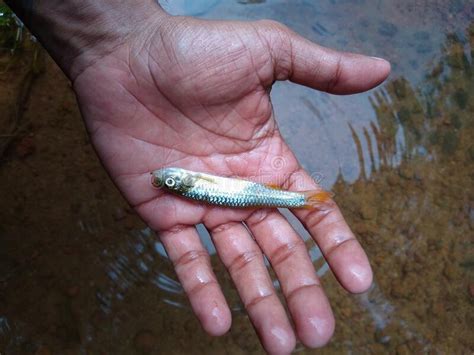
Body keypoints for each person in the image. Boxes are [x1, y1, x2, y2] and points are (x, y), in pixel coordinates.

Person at [5, 0, 390, 353]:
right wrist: (116, 36)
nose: (168, 179)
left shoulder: (183, 182)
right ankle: (302, 200)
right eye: (171, 181)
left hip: (253, 192)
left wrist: (117, 37)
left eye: (171, 180)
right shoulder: (184, 181)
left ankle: (303, 201)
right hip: (255, 192)